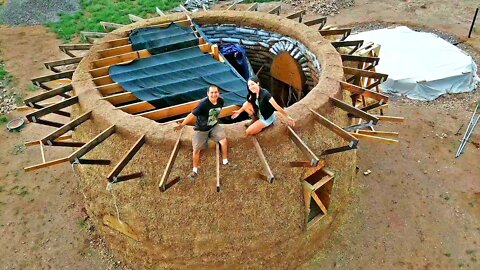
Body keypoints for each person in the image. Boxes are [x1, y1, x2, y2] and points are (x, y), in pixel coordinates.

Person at [175, 85, 229, 180]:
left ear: (218, 93)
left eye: (216, 92)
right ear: (207, 93)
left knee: (223, 140)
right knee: (196, 149)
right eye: (211, 92)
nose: (214, 94)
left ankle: (225, 161)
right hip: (201, 129)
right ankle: (195, 170)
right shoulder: (203, 104)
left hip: (214, 125)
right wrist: (182, 124)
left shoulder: (221, 101)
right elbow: (192, 115)